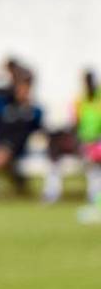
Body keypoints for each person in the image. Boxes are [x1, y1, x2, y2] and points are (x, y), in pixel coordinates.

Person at [44, 69, 101, 205]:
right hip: (83, 140)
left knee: (92, 157)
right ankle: (52, 191)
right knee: (55, 144)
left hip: (97, 141)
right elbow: (75, 123)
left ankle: (95, 195)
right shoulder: (80, 99)